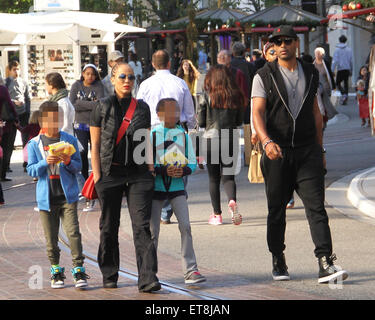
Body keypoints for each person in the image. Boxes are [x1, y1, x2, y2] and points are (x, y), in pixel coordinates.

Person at [252, 25, 348, 283]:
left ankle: (325, 262)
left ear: (296, 44)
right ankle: (278, 258)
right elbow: (257, 112)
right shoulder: (264, 75)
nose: (282, 45)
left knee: (317, 208)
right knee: (276, 211)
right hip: (277, 152)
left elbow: (317, 112)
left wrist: (320, 148)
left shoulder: (311, 72)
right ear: (272, 46)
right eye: (277, 41)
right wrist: (266, 140)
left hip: (308, 151)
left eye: (287, 40)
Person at [90, 62, 160, 292]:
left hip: (139, 174)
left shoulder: (142, 108)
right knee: (109, 226)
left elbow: (147, 139)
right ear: (112, 79)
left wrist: (150, 168)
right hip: (110, 174)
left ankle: (148, 278)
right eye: (122, 76)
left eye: (131, 77)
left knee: (142, 227)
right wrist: (98, 175)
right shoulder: (101, 106)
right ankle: (109, 274)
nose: (127, 81)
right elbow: (96, 143)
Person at [26, 101, 89, 289]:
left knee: (73, 233)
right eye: (51, 119)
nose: (55, 123)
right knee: (51, 238)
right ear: (42, 122)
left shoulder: (69, 140)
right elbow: (31, 171)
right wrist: (45, 162)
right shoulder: (34, 144)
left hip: (67, 196)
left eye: (58, 118)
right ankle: (56, 270)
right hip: (47, 199)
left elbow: (79, 166)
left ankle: (78, 268)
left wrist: (68, 161)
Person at [150, 98, 206, 284]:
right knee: (152, 232)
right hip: (156, 188)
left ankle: (191, 270)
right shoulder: (153, 134)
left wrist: (184, 170)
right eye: (169, 112)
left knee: (186, 226)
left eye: (176, 112)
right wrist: (162, 169)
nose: (173, 115)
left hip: (177, 187)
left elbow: (192, 161)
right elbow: (146, 164)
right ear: (159, 114)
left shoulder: (182, 134)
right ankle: (149, 271)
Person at [137, 49, 196, 224]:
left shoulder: (145, 84)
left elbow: (139, 110)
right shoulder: (180, 83)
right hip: (177, 129)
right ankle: (171, 205)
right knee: (179, 167)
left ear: (153, 64)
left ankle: (164, 209)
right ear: (169, 63)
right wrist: (191, 128)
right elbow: (190, 111)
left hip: (153, 130)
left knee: (157, 169)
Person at [198, 64, 246, 226]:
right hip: (230, 137)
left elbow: (201, 121)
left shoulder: (206, 95)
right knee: (228, 177)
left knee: (213, 178)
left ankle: (217, 215)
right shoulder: (236, 95)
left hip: (211, 139)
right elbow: (239, 121)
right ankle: (232, 200)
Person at [69, 64, 104, 212]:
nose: (90, 76)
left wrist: (83, 104)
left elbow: (101, 104)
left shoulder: (99, 86)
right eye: (87, 73)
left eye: (93, 74)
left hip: (95, 124)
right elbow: (73, 103)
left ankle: (98, 185)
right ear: (82, 74)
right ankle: (84, 187)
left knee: (97, 153)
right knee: (81, 154)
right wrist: (92, 104)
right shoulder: (76, 85)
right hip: (80, 124)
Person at [5, 60, 31, 172]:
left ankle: (26, 163)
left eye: (18, 69)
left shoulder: (23, 82)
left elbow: (27, 97)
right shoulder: (6, 83)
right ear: (10, 70)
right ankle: (6, 165)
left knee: (26, 140)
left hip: (23, 114)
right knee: (9, 141)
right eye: (14, 69)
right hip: (11, 115)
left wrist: (28, 111)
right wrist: (13, 101)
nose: (16, 71)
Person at [314, 47, 338, 131]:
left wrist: (334, 87)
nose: (318, 55)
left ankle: (324, 121)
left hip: (326, 88)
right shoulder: (312, 64)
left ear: (322, 54)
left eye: (319, 53)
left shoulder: (326, 63)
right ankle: (321, 122)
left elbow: (330, 75)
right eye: (316, 53)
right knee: (319, 106)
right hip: (317, 89)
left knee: (325, 105)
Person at [0, 78, 19, 182]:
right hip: (5, 124)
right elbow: (10, 104)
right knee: (5, 149)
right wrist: (16, 118)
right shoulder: (2, 89)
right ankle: (2, 174)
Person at [331, 35, 353, 105]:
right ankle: (345, 96)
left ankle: (343, 94)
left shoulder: (337, 50)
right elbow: (351, 61)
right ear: (345, 40)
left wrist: (332, 70)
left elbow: (335, 61)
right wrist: (351, 69)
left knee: (337, 83)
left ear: (339, 40)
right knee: (346, 83)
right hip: (347, 68)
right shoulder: (349, 50)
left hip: (340, 69)